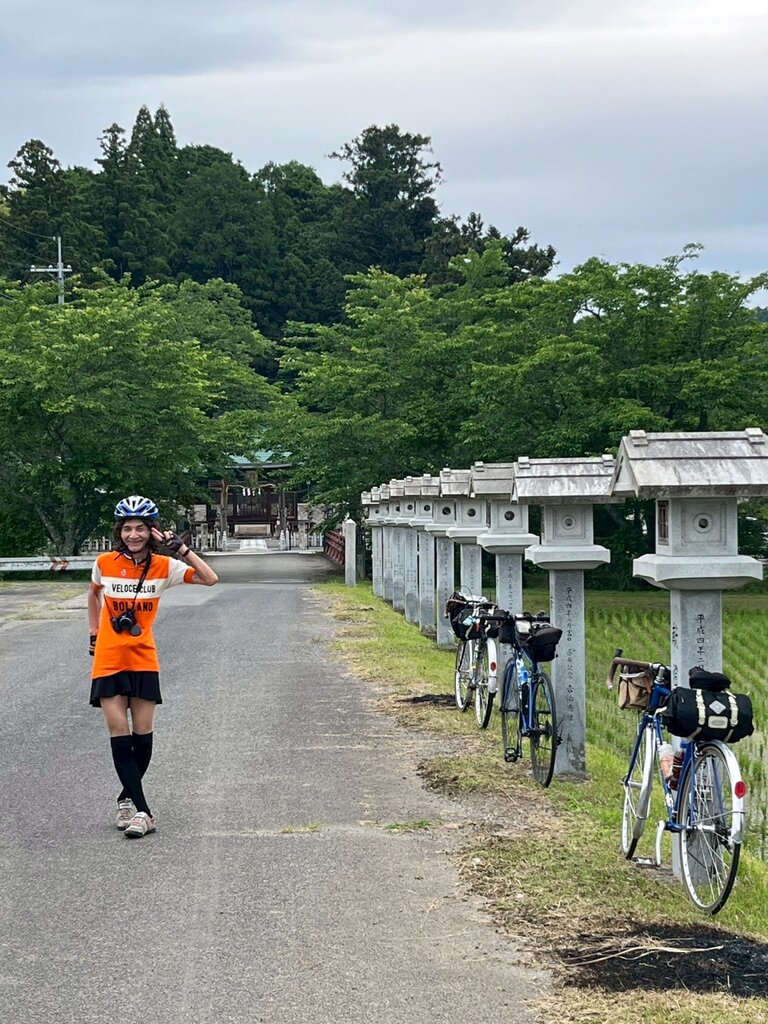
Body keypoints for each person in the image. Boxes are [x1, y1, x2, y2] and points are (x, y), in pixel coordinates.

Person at [87, 495, 218, 838]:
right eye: (127, 528)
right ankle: (143, 812)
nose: (133, 535)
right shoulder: (104, 562)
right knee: (119, 733)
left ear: (152, 531)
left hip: (143, 657)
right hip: (108, 659)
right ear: (119, 531)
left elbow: (210, 579)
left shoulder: (164, 566)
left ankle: (125, 798)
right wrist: (93, 633)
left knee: (142, 737)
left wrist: (181, 549)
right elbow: (93, 594)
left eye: (141, 528)